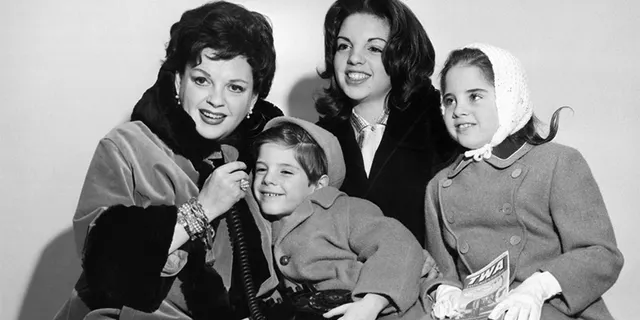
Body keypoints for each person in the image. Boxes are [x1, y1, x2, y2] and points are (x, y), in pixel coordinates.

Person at [53, 2, 284, 319]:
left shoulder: (262, 163)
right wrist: (200, 211)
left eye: (235, 87)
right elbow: (103, 264)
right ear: (178, 81)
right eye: (202, 80)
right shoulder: (127, 146)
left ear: (253, 100)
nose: (216, 100)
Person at [424, 43, 624, 320]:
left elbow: (601, 254)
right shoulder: (439, 185)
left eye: (475, 96)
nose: (458, 110)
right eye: (450, 100)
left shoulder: (557, 162)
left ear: (508, 97)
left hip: (553, 309)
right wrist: (445, 290)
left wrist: (538, 287)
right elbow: (441, 269)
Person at [251, 116, 436, 320]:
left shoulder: (344, 210)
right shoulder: (259, 224)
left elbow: (399, 244)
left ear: (319, 185)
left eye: (285, 172)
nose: (268, 179)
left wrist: (372, 303)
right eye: (261, 169)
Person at [315, 0, 458, 244]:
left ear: (402, 55)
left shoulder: (442, 125)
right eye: (343, 46)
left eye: (374, 49)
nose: (354, 59)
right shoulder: (316, 139)